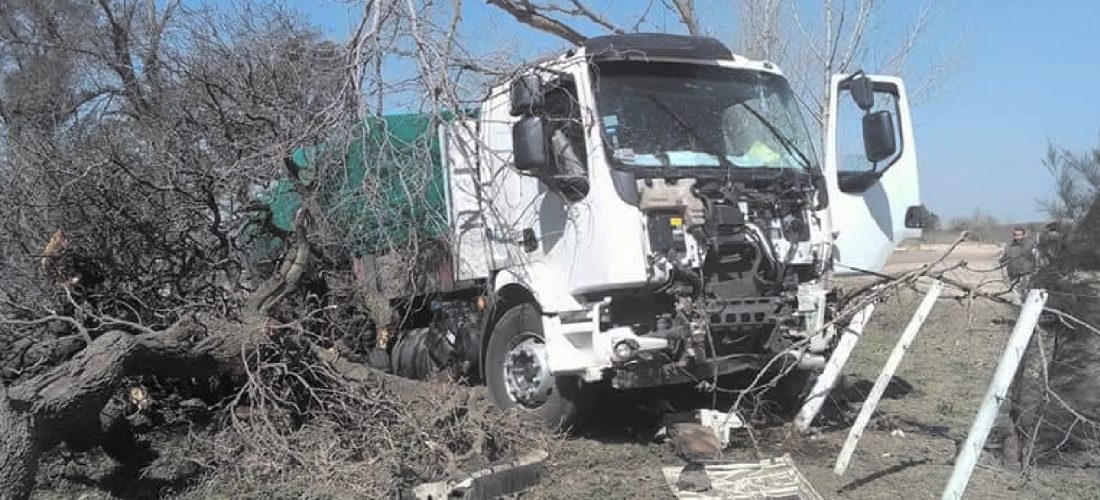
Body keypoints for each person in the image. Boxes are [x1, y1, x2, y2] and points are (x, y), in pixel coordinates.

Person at [1000, 226, 1039, 301]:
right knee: (1016, 297)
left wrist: (1035, 273)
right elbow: (1004, 259)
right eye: (1015, 235)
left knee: (1027, 296)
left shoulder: (1031, 245)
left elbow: (1037, 259)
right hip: (1013, 276)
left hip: (1027, 275)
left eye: (1019, 235)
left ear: (1024, 235)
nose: (1017, 237)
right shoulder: (1009, 247)